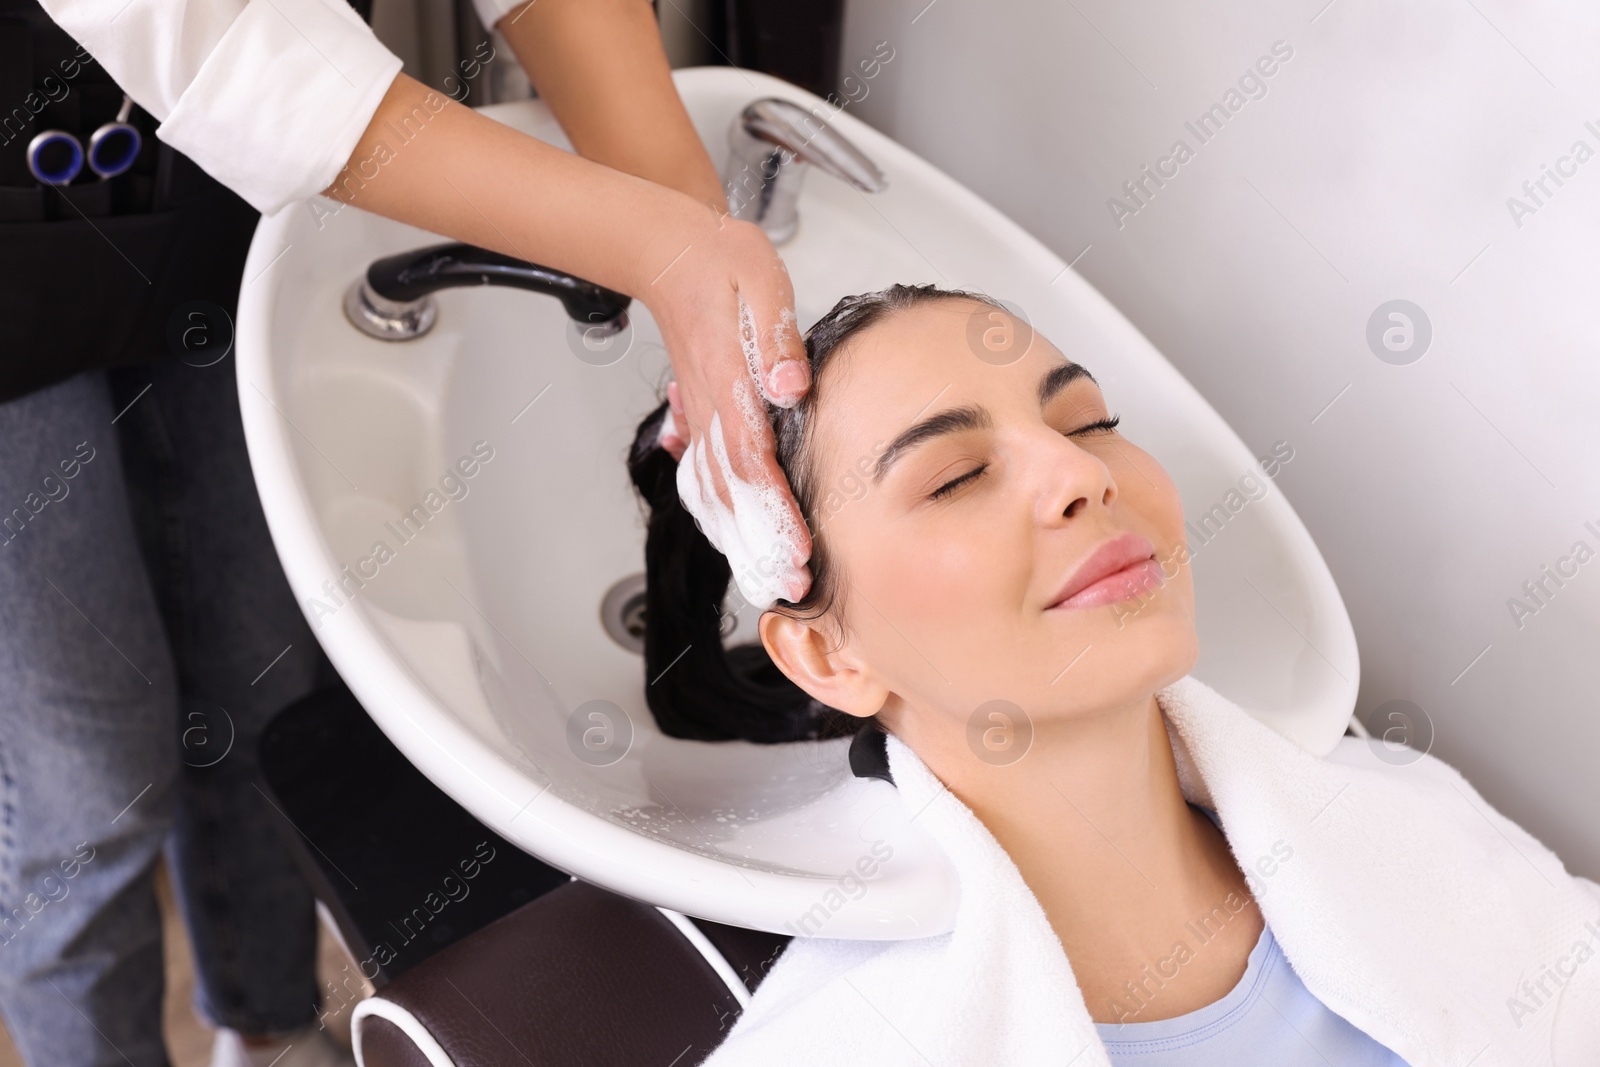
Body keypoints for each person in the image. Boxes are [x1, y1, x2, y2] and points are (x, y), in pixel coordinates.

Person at [3, 1, 814, 1066]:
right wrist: (660, 249)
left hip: (193, 199)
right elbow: (219, 34)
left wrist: (691, 230)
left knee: (259, 680)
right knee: (94, 783)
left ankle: (267, 1023)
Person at [628, 284, 1600, 1065]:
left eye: (1089, 422)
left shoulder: (1414, 825)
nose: (1078, 473)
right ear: (829, 652)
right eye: (956, 475)